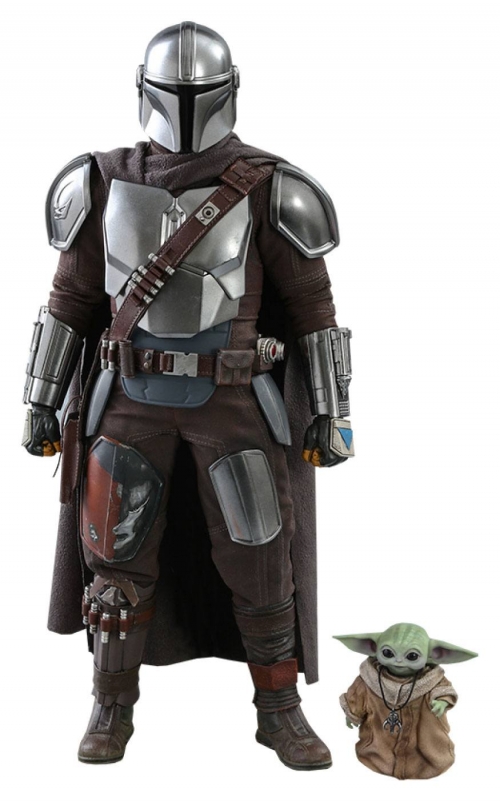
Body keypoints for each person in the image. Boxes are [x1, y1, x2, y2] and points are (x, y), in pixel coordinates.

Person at [22, 21, 354, 770]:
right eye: (171, 90)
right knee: (114, 556)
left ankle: (279, 711)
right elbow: (70, 299)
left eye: (195, 90)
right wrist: (40, 399)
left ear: (228, 90)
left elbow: (313, 308)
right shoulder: (101, 179)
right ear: (144, 90)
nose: (183, 103)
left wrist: (334, 412)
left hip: (232, 401)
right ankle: (111, 707)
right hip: (128, 399)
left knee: (261, 558)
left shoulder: (269, 184)